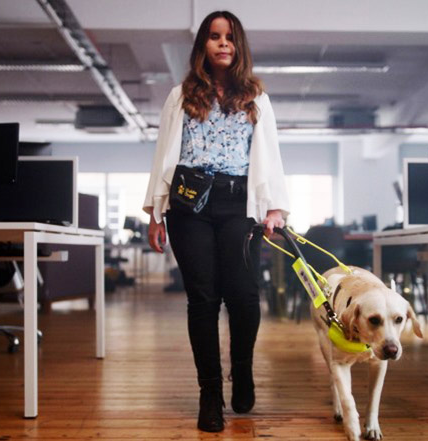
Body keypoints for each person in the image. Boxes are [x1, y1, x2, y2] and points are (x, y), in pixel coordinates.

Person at [142, 10, 289, 433]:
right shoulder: (181, 94)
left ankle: (240, 368)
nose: (222, 43)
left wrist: (274, 206)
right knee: (203, 300)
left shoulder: (256, 96)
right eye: (213, 36)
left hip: (238, 204)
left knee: (243, 296)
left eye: (229, 37)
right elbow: (164, 153)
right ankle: (210, 394)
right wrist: (155, 210)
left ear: (238, 45)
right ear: (202, 46)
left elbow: (271, 154)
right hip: (188, 206)